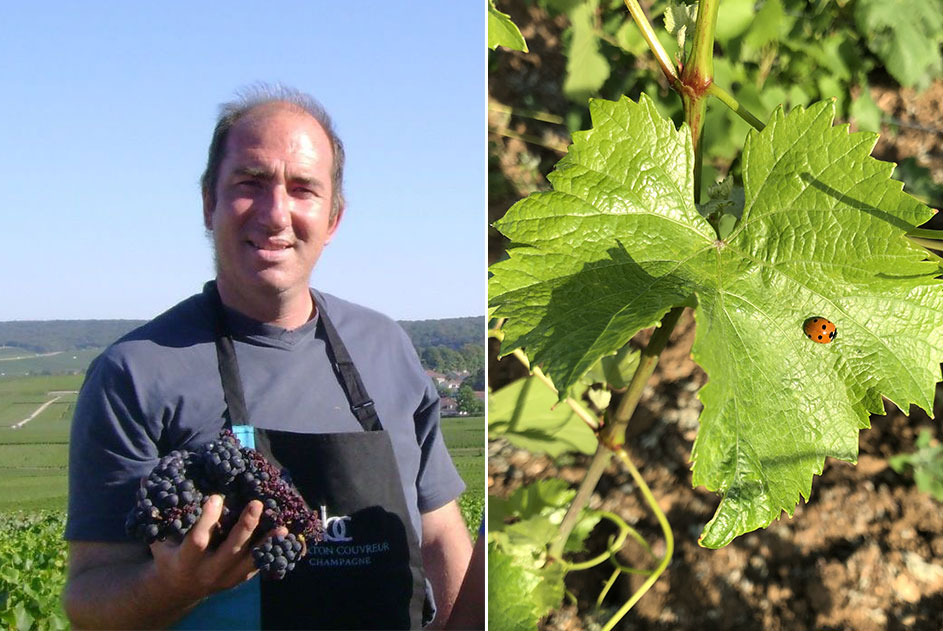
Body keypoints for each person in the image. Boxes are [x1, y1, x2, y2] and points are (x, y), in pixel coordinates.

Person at [62, 85, 473, 630]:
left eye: (303, 189)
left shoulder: (386, 347)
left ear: (333, 219)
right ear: (209, 201)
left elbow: (442, 535)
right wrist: (171, 585)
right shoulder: (134, 374)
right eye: (250, 184)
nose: (276, 213)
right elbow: (89, 600)